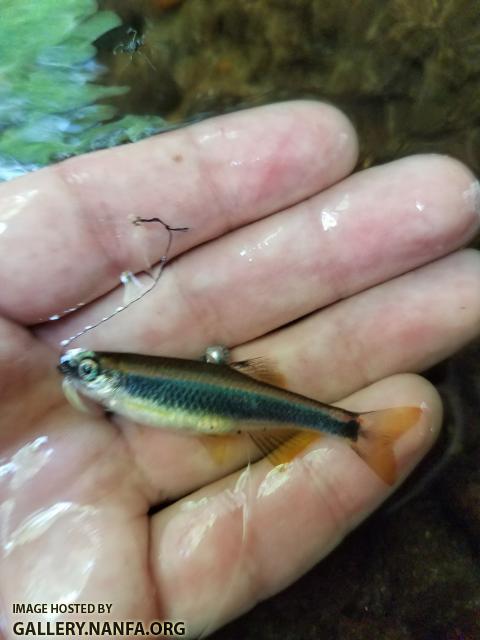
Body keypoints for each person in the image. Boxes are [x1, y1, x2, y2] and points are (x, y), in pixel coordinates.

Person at [0, 101, 479, 639]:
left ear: (108, 378)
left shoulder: (117, 388)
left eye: (88, 369)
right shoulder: (112, 390)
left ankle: (353, 427)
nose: (80, 374)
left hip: (239, 409)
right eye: (86, 370)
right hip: (235, 411)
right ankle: (350, 427)